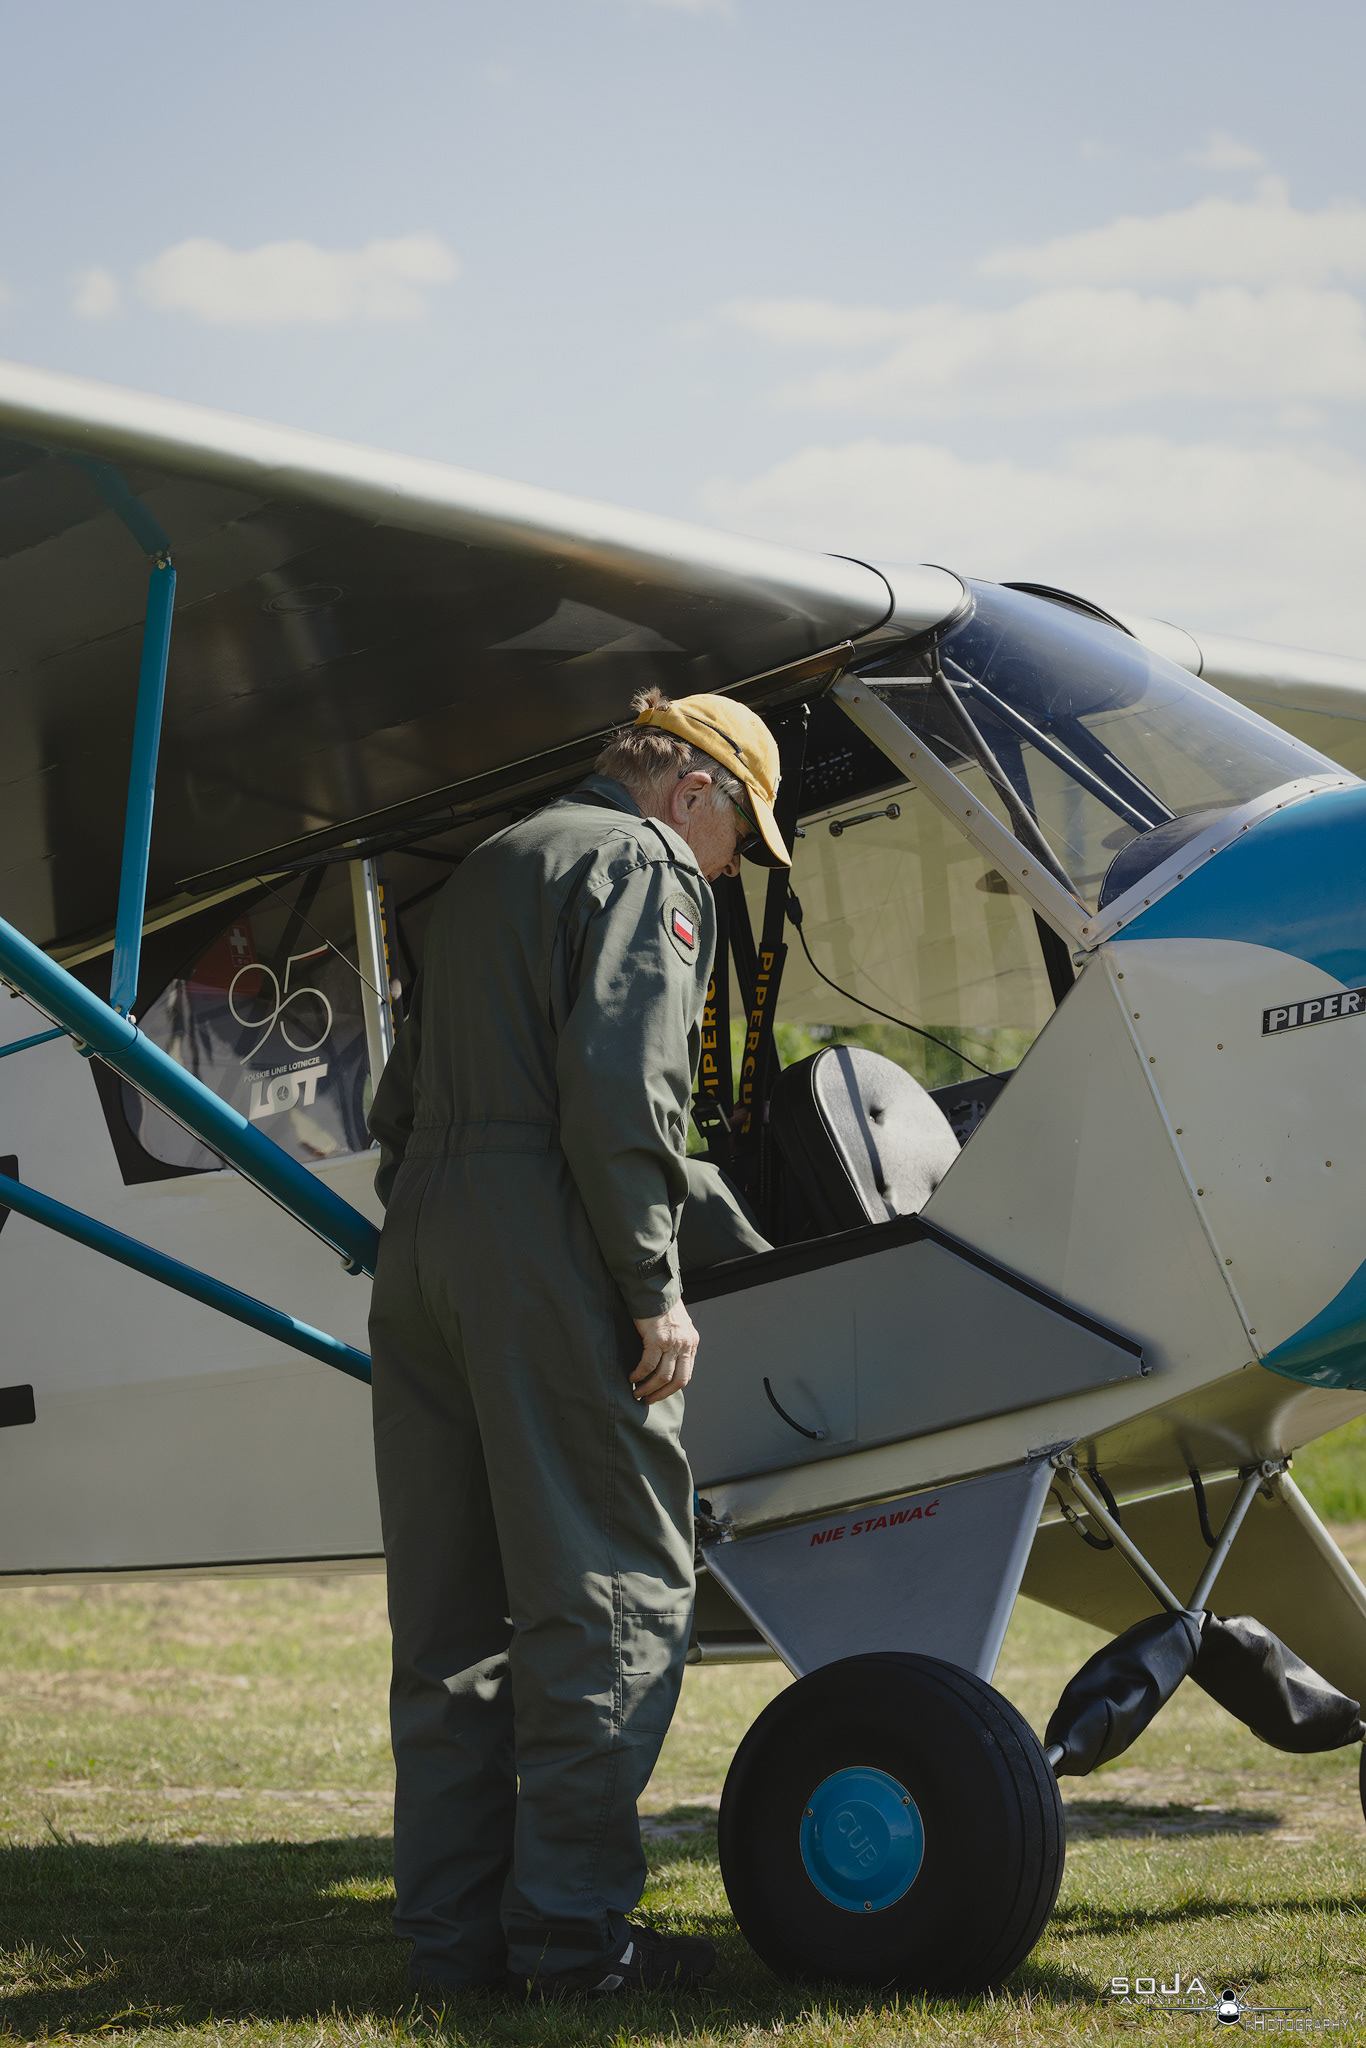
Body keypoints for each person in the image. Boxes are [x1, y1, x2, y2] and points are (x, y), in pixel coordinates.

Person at [366, 685, 788, 1999]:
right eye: (741, 840)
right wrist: (653, 1285)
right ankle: (570, 1940)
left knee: (451, 1628)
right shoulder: (646, 863)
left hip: (424, 1243)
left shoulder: (496, 861)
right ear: (694, 793)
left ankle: (453, 1945)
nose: (731, 868)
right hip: (545, 1243)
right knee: (612, 1598)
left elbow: (399, 1099)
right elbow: (623, 1089)